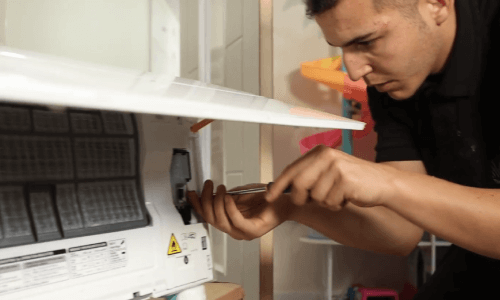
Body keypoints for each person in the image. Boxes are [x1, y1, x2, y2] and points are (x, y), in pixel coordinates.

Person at [188, 0, 500, 298]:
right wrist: (289, 206)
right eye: (343, 47)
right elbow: (400, 229)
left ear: (436, 4)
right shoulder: (393, 83)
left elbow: (395, 189)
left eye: (367, 41)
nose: (354, 71)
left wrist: (386, 181)